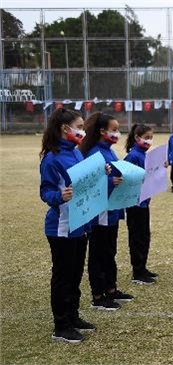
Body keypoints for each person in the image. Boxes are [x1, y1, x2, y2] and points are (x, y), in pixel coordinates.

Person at [40, 108, 96, 343]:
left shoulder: (77, 154)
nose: (82, 131)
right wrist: (59, 196)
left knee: (74, 275)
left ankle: (73, 317)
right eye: (80, 126)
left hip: (80, 224)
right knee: (63, 276)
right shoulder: (52, 158)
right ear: (65, 128)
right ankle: (60, 325)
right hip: (61, 227)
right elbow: (46, 191)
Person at [79, 112, 134, 312]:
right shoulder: (95, 153)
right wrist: (111, 182)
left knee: (109, 251)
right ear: (102, 131)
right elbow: (88, 183)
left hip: (112, 210)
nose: (117, 133)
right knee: (98, 252)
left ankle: (111, 289)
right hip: (100, 212)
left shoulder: (108, 151)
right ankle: (98, 295)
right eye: (114, 130)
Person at [124, 124, 158, 285]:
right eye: (146, 137)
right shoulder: (134, 155)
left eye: (151, 138)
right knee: (137, 237)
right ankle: (137, 271)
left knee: (144, 236)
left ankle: (142, 267)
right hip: (135, 203)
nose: (149, 141)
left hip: (143, 202)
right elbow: (128, 177)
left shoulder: (144, 154)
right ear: (137, 138)